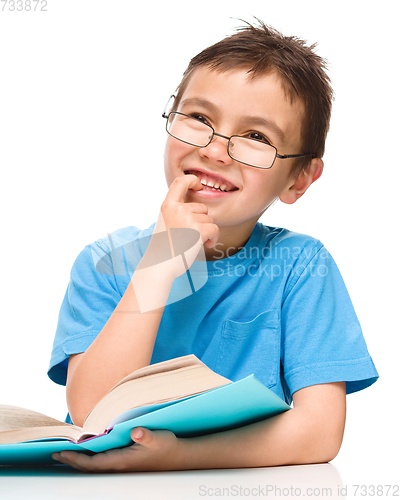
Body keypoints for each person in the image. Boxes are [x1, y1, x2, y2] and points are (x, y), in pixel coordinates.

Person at [48, 21, 378, 472]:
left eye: (256, 137)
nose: (216, 151)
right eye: (199, 119)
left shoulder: (301, 266)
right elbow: (91, 415)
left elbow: (319, 432)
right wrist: (159, 264)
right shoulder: (102, 264)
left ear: (299, 179)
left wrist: (179, 456)